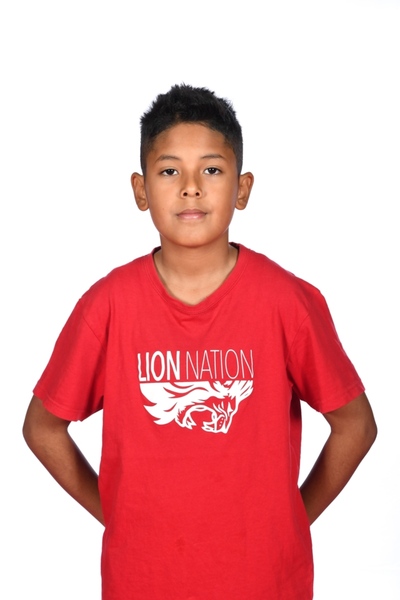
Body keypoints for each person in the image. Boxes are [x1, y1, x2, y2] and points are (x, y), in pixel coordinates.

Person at [23, 84, 377, 600]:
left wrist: (291, 517)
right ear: (141, 190)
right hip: (142, 582)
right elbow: (43, 427)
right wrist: (115, 512)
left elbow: (355, 425)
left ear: (242, 189)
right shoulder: (107, 306)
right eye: (169, 171)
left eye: (211, 169)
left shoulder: (287, 302)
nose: (191, 188)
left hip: (265, 583)